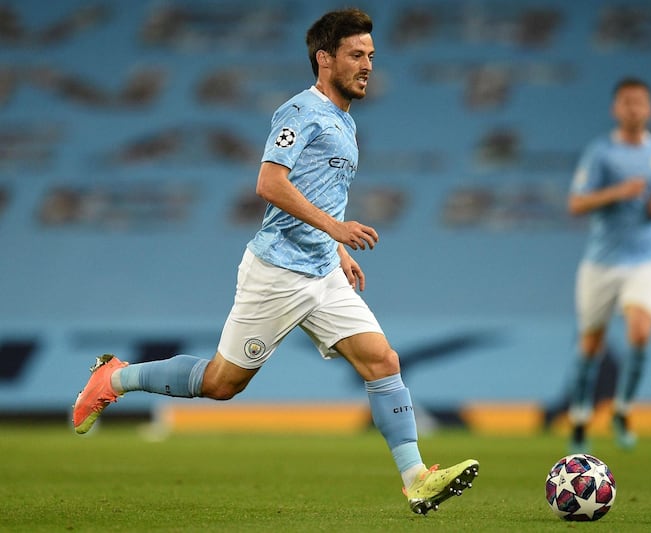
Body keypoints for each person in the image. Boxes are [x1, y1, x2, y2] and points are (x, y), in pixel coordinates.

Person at [72, 8, 478, 516]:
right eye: (357, 55)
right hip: (277, 273)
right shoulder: (299, 112)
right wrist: (335, 230)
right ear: (324, 58)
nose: (368, 65)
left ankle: (416, 477)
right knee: (222, 384)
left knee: (383, 361)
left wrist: (336, 250)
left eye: (371, 55)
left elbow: (321, 193)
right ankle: (114, 378)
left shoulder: (346, 123)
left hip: (322, 272)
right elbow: (269, 182)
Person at [565, 77, 651, 451]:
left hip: (645, 259)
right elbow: (576, 204)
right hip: (601, 263)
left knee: (641, 333)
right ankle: (580, 419)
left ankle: (623, 410)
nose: (633, 108)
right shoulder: (601, 153)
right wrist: (617, 192)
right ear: (615, 109)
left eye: (639, 102)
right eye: (626, 102)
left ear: (650, 109)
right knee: (591, 345)